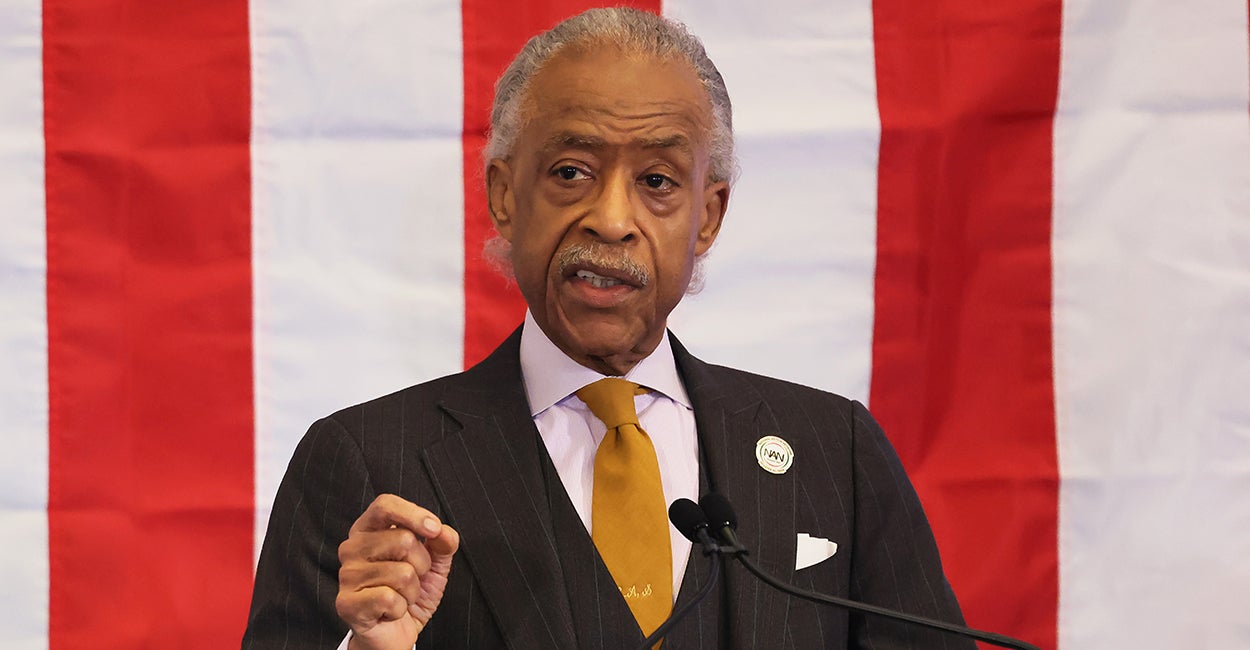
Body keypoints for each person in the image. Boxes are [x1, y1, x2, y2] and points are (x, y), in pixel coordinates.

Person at [242, 7, 972, 650]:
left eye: (657, 181)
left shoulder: (835, 452)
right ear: (504, 195)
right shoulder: (365, 461)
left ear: (707, 216)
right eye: (570, 172)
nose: (612, 220)